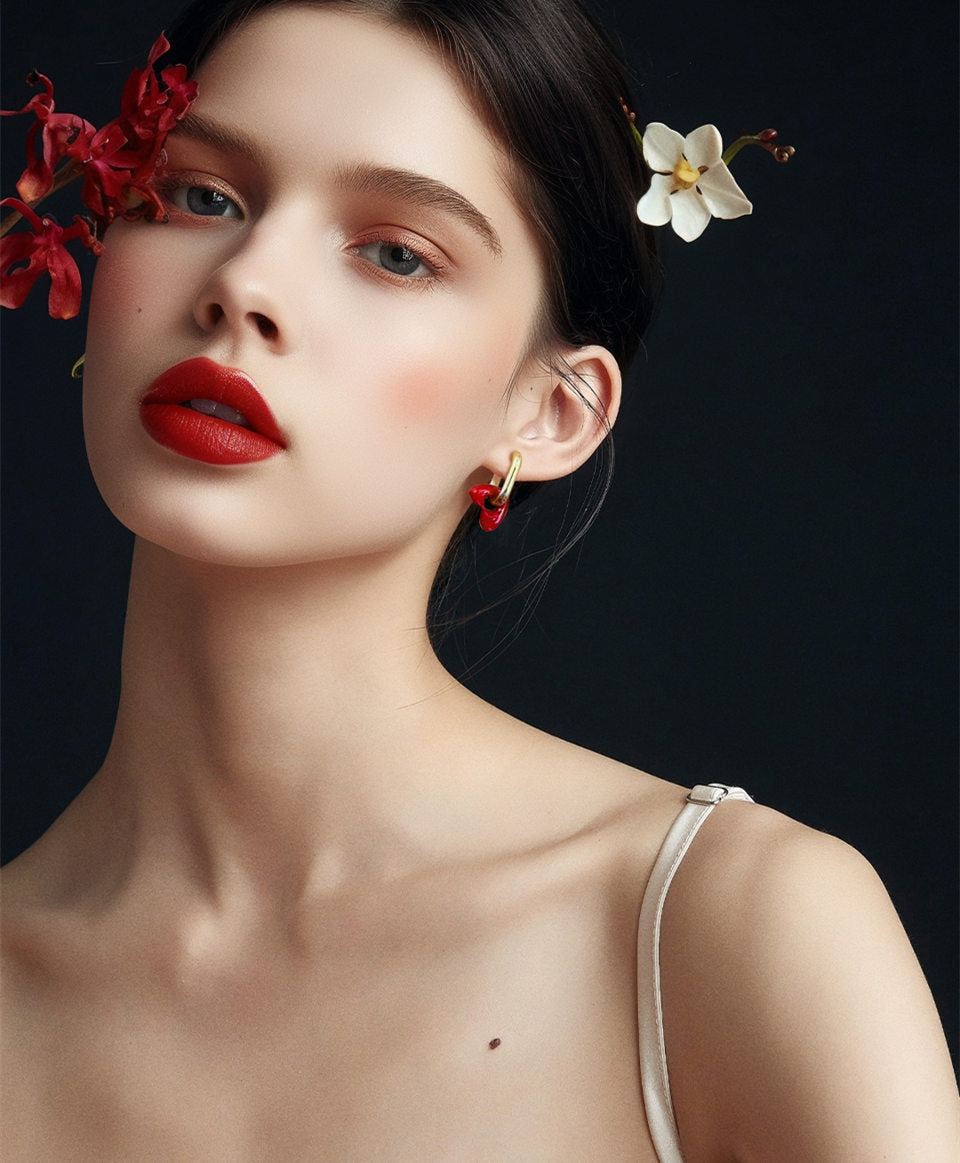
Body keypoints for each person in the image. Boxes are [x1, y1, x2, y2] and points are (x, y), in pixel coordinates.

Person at [1, 0, 956, 1158]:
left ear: (549, 412)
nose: (243, 283)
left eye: (396, 251)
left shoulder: (728, 934)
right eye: (206, 195)